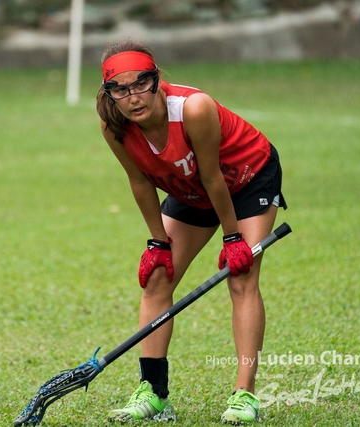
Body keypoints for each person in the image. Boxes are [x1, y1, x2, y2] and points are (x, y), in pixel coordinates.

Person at [96, 40, 286, 424]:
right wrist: (157, 242)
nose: (133, 97)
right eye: (121, 89)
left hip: (246, 178)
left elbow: (212, 175)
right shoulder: (113, 125)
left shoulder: (193, 108)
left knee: (242, 276)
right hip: (191, 186)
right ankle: (154, 394)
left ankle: (244, 395)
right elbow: (139, 181)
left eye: (141, 84)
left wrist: (232, 237)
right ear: (109, 94)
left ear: (157, 79)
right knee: (157, 278)